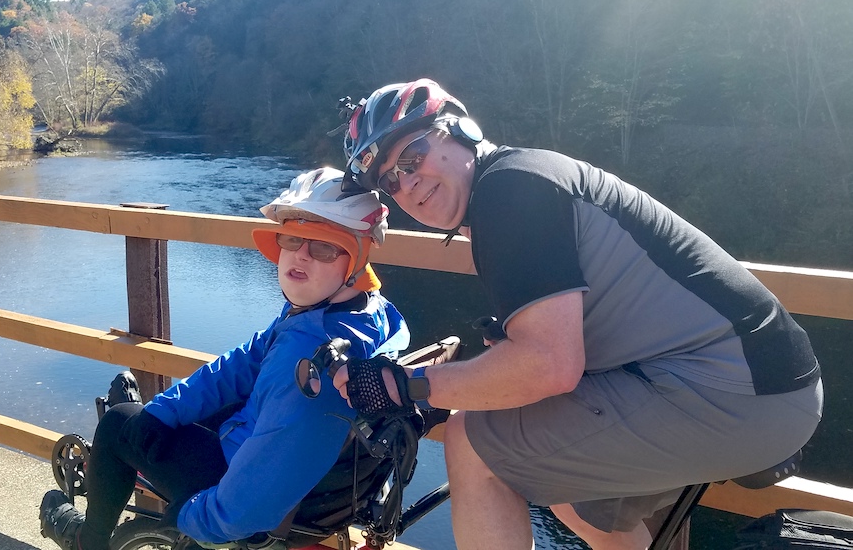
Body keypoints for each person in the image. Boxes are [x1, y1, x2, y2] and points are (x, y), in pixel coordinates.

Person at [333, 79, 823, 549]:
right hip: (757, 385)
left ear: (460, 130)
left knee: (469, 442)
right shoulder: (519, 181)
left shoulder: (511, 194)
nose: (408, 183)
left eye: (413, 157)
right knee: (568, 489)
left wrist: (405, 383)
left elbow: (548, 366)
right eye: (391, 181)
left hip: (737, 392)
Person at [39, 167, 410, 550]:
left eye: (323, 247)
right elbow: (248, 359)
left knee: (119, 424)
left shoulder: (312, 361)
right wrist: (167, 409)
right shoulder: (363, 312)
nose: (299, 256)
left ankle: (87, 541)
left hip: (253, 496)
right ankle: (147, 418)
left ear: (356, 260)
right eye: (292, 238)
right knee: (163, 414)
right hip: (316, 483)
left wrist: (198, 519)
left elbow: (262, 486)